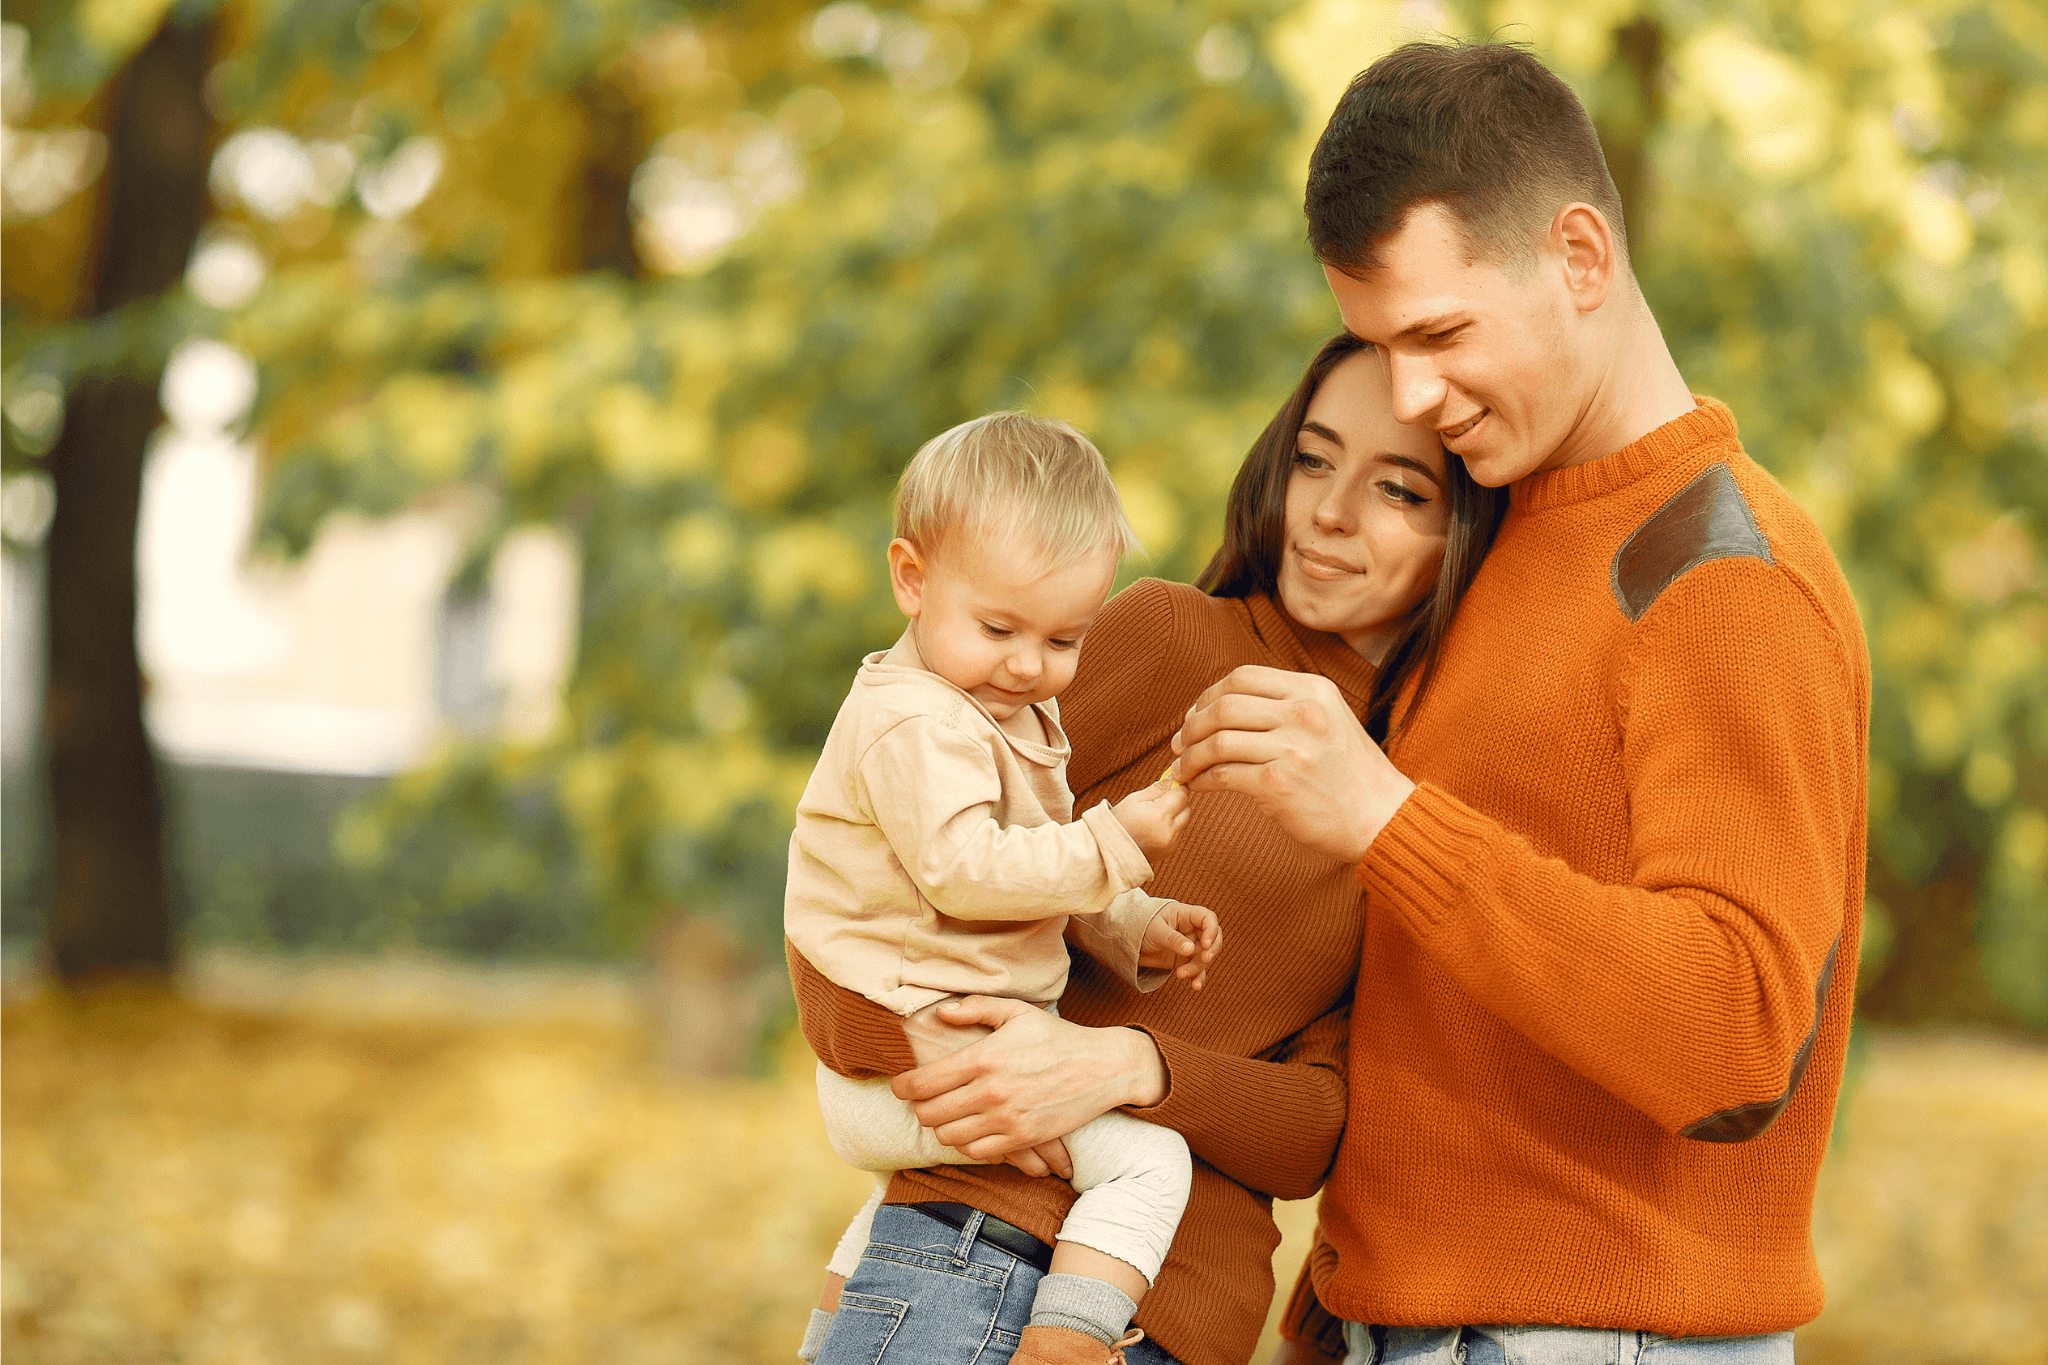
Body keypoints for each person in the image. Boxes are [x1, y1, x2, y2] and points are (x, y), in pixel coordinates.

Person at [1169, 42, 1871, 1365]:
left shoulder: (1721, 573)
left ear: (1582, 257)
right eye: (1380, 344)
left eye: (1440, 333)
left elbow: (1733, 1036)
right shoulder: (1495, 539)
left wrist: (1388, 820)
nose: (1415, 395)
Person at [792, 336, 1507, 1365]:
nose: (1329, 513)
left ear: (1462, 534)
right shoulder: (1169, 641)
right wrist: (904, 1049)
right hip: (985, 1255)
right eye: (1311, 460)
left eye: (1397, 490)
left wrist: (1130, 1065)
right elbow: (874, 857)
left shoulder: (1421, 805)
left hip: (1190, 1325)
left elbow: (1318, 1128)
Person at [789, 411, 1225, 1365]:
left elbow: (1039, 865)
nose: (1030, 665)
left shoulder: (997, 707)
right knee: (1152, 1161)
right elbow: (971, 871)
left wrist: (1133, 926)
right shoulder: (917, 724)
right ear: (910, 578)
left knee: (895, 1192)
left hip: (917, 1052)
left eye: (1065, 637)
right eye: (998, 628)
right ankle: (1068, 1347)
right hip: (904, 1046)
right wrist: (1116, 838)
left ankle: (828, 1335)